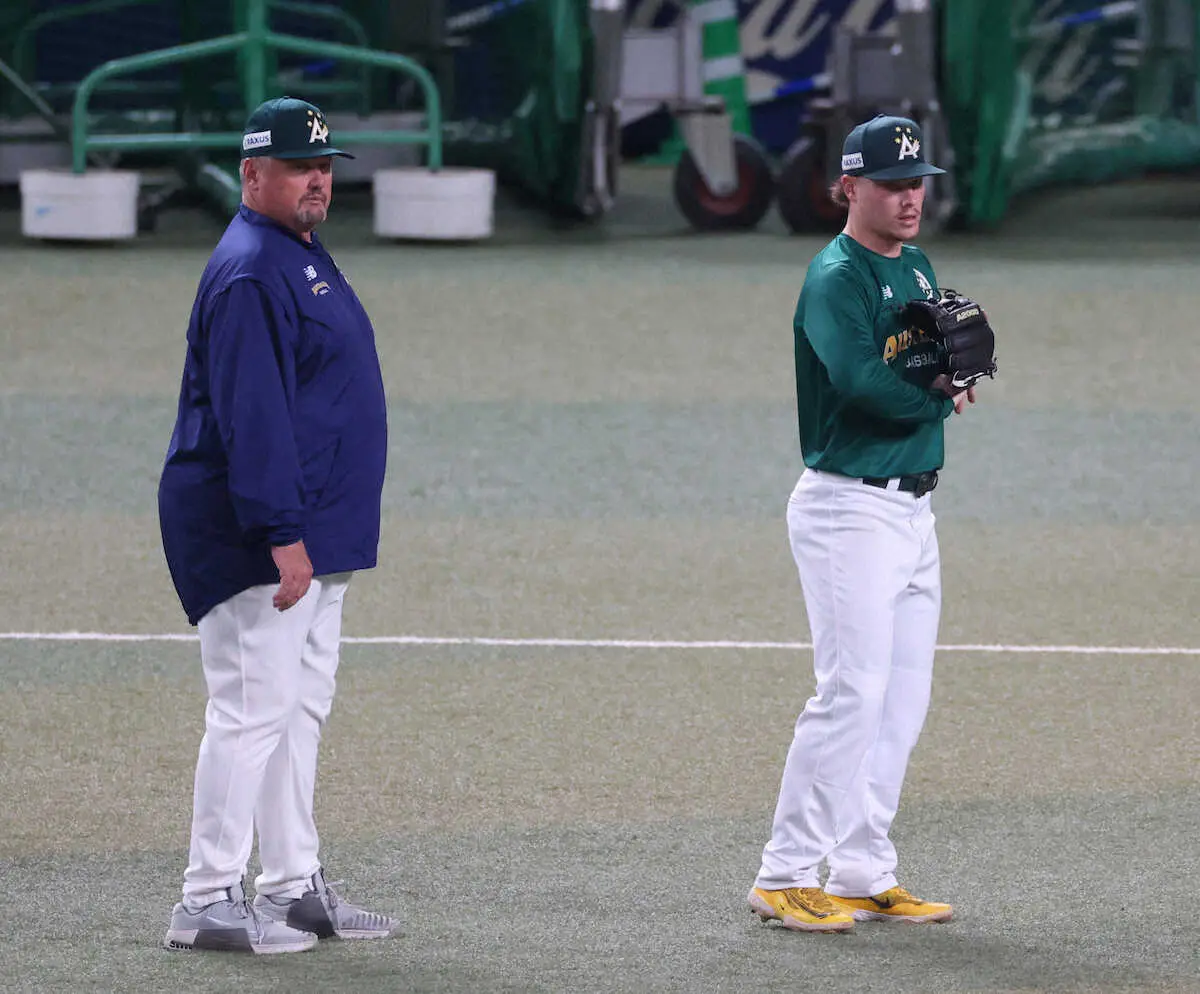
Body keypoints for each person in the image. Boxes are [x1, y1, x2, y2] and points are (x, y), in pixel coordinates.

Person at [158, 96, 396, 954]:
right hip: (259, 535)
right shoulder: (253, 268)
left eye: (326, 167)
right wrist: (281, 533)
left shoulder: (292, 250)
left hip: (313, 531)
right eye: (300, 168)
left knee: (297, 714)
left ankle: (292, 887)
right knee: (252, 710)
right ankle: (206, 899)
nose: (318, 181)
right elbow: (251, 419)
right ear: (252, 174)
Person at [748, 115, 975, 934]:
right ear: (850, 187)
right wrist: (939, 390)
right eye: (891, 184)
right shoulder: (833, 277)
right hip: (849, 507)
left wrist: (948, 370)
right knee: (850, 693)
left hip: (914, 509)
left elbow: (918, 360)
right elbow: (855, 382)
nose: (909, 197)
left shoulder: (913, 262)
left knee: (900, 701)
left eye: (917, 183)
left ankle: (860, 866)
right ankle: (783, 872)